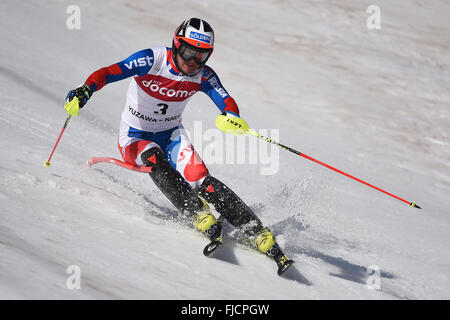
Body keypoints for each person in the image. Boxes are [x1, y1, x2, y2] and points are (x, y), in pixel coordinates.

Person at [65, 18, 293, 274]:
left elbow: (226, 99)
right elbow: (108, 72)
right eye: (188, 52)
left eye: (201, 55)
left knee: (201, 179)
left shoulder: (203, 75)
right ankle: (197, 212)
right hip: (135, 136)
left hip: (172, 134)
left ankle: (256, 230)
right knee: (153, 159)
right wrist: (85, 90)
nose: (192, 61)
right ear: (176, 44)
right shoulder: (152, 59)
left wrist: (232, 117)